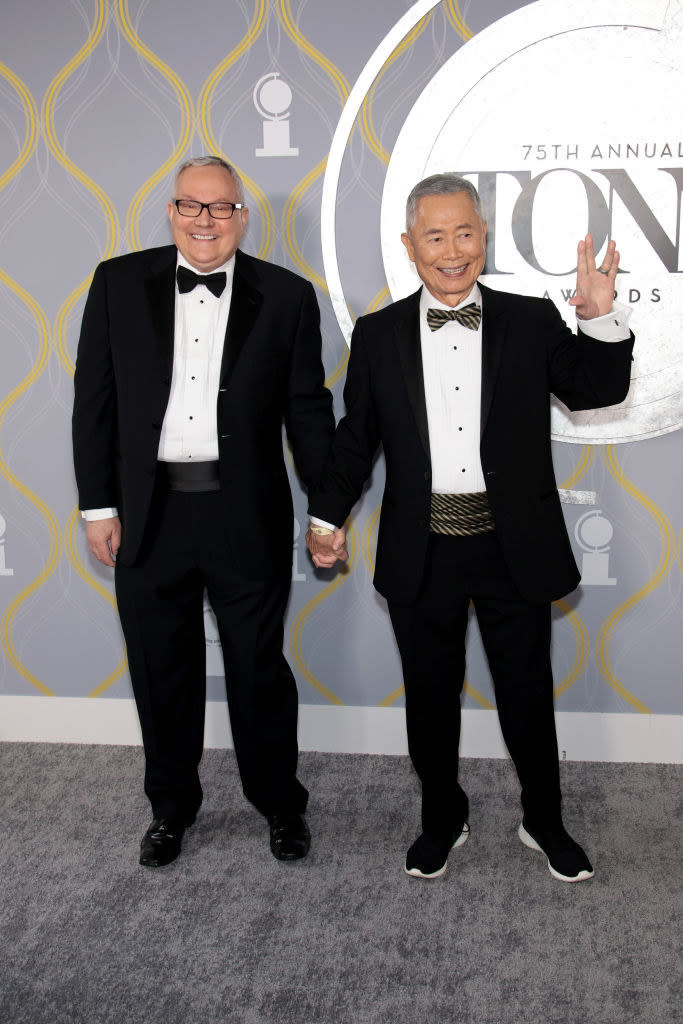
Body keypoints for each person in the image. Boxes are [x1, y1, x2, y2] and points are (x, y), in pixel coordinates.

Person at [306, 173, 633, 882]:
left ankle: (542, 820)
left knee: (524, 694)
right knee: (428, 698)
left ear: (483, 237)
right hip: (421, 548)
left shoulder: (530, 320)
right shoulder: (379, 333)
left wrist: (600, 319)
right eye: (434, 236)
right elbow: (354, 439)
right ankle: (441, 818)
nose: (450, 251)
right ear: (408, 244)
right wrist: (325, 516)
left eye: (463, 233)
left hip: (512, 543)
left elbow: (597, 391)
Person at [73, 155, 334, 867]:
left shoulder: (286, 296)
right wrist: (98, 506)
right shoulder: (117, 283)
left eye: (220, 208)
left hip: (242, 511)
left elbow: (307, 414)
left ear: (242, 216)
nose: (205, 221)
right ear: (170, 210)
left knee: (257, 668)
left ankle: (280, 803)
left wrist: (327, 511)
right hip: (147, 513)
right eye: (192, 205)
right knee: (161, 669)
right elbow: (93, 404)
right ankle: (170, 809)